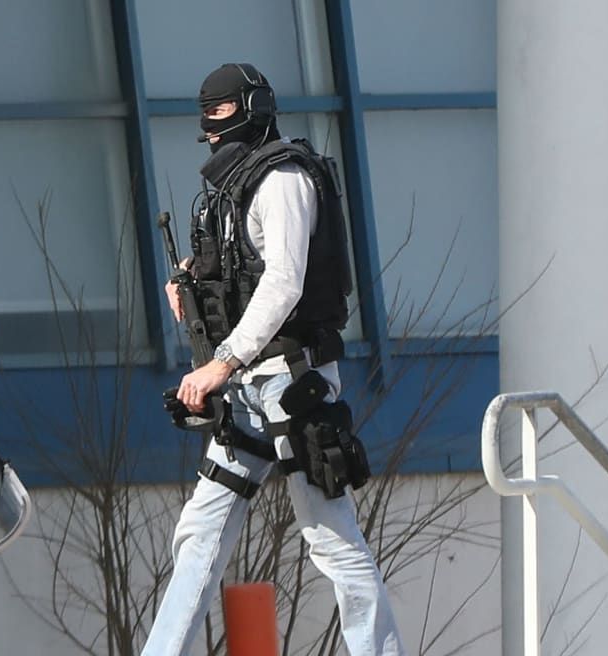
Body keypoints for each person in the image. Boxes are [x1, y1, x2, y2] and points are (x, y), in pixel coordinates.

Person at [143, 64, 405, 655]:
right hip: (246, 393)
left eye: (219, 113)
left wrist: (221, 363)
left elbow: (284, 282)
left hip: (292, 385)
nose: (210, 128)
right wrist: (189, 282)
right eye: (204, 115)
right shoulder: (230, 188)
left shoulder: (283, 177)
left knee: (332, 541)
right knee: (200, 534)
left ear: (252, 107)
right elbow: (241, 272)